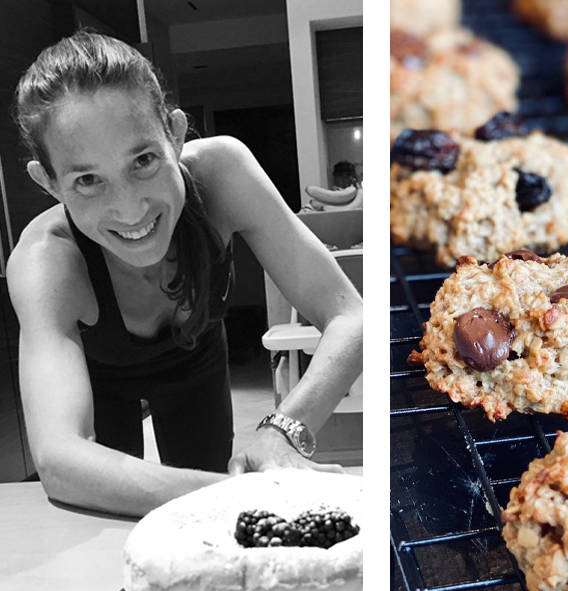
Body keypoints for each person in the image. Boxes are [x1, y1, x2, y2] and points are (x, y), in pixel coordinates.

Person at [6, 30, 363, 517]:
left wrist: (283, 429)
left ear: (174, 134)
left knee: (216, 525)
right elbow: (62, 459)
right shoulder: (47, 260)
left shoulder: (222, 174)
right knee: (115, 522)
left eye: (144, 160)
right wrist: (244, 496)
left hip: (196, 363)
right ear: (48, 182)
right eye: (87, 180)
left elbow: (350, 315)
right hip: (97, 382)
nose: (130, 209)